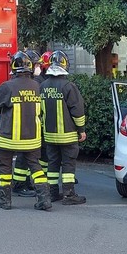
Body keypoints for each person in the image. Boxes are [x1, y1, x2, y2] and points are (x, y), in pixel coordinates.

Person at [0, 51, 52, 211]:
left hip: (8, 138)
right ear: (30, 68)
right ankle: (44, 200)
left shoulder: (7, 86)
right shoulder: (37, 86)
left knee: (4, 168)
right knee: (35, 167)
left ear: (13, 68)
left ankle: (5, 202)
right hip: (32, 138)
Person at [40, 50, 87, 205]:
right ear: (65, 65)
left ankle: (52, 193)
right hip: (67, 136)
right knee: (68, 164)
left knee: (52, 164)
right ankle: (69, 195)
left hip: (49, 136)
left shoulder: (43, 86)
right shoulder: (68, 86)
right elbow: (77, 111)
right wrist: (81, 130)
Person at [11, 49, 42, 197]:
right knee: (24, 158)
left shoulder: (29, 82)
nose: (38, 67)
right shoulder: (31, 84)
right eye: (35, 64)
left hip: (26, 127)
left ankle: (24, 183)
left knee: (26, 158)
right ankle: (20, 184)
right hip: (25, 128)